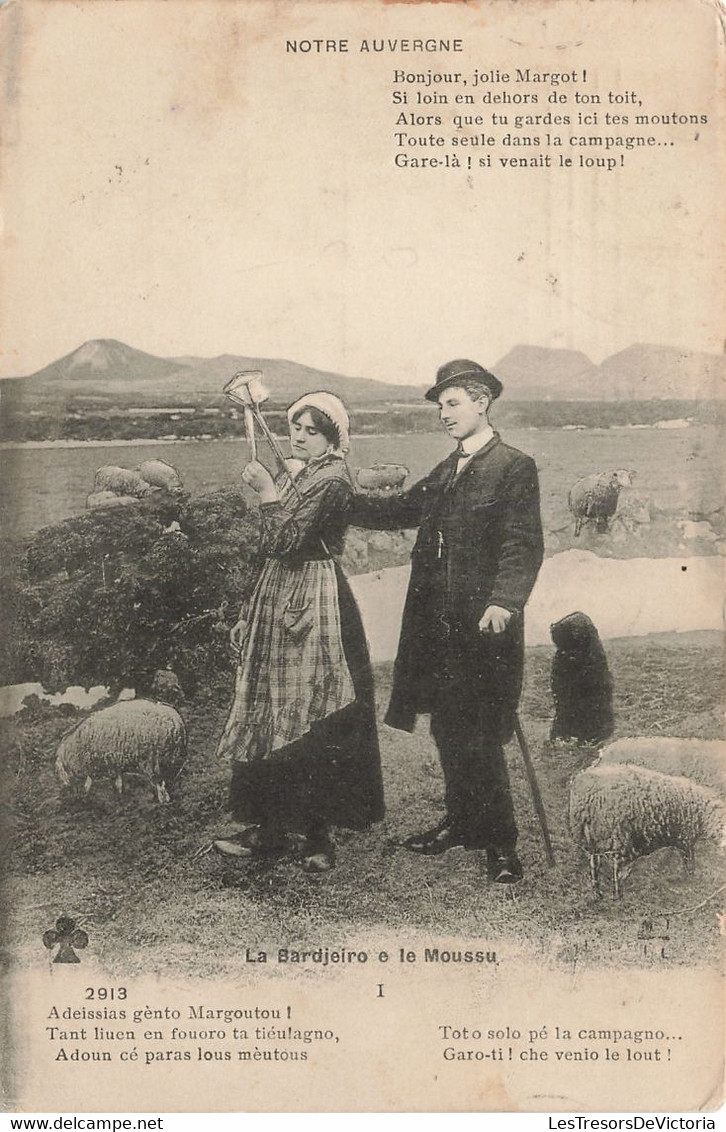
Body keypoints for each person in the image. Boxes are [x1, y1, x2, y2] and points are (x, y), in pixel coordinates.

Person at [349, 359, 544, 883]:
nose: (444, 414)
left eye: (452, 403)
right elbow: (397, 512)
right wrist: (335, 499)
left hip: (484, 627)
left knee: (479, 732)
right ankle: (462, 823)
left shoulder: (513, 466)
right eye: (440, 406)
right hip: (436, 628)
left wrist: (504, 602)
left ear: (483, 402)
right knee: (447, 729)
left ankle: (501, 843)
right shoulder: (447, 468)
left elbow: (523, 545)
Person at [214, 392, 384, 872]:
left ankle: (316, 835)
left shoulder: (332, 481)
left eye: (312, 430)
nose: (300, 437)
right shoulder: (304, 475)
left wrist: (267, 494)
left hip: (314, 600)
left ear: (333, 437)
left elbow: (287, 541)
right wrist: (249, 610)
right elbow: (270, 552)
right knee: (269, 708)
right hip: (277, 594)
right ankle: (268, 826)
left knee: (314, 714)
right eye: (296, 428)